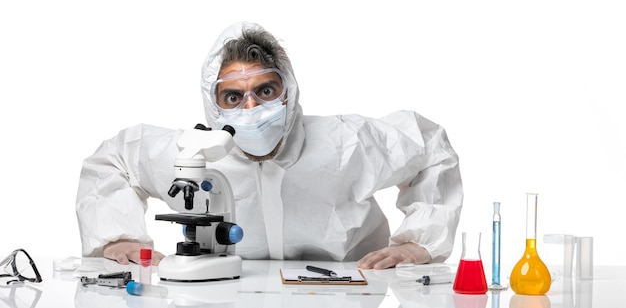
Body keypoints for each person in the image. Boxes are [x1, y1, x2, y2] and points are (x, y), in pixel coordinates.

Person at [75, 21, 463, 269]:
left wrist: (418, 244)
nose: (251, 109)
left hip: (346, 290)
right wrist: (119, 237)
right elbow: (115, 160)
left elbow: (428, 145)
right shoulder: (192, 155)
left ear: (288, 91)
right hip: (229, 293)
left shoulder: (346, 144)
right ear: (212, 105)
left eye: (265, 91)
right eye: (232, 98)